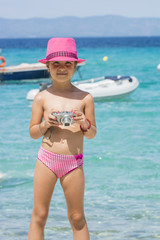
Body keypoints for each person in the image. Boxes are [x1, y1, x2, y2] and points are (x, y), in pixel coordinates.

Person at [28, 38, 97, 240]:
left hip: (73, 163)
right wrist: (44, 124)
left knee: (77, 217)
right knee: (39, 215)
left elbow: (92, 134)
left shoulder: (85, 98)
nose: (61, 68)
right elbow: (32, 133)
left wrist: (84, 123)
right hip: (46, 160)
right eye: (56, 63)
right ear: (48, 66)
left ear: (75, 66)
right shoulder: (42, 97)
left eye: (68, 63)